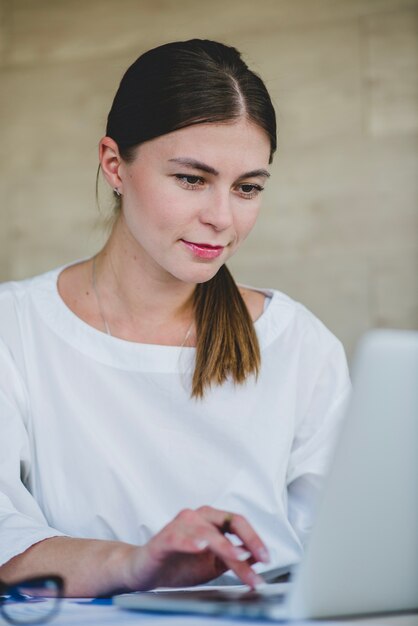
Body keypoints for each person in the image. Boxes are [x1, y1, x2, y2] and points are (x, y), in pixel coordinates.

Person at [0, 39, 351, 597]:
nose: (221, 217)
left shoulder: (297, 343)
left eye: (247, 188)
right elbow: (5, 541)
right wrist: (137, 563)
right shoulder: (15, 328)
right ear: (115, 165)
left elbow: (345, 547)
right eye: (191, 179)